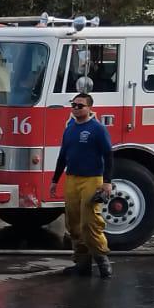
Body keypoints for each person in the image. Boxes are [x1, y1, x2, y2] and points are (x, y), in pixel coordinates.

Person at [50, 92, 115, 278]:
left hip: (92, 179)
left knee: (90, 222)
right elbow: (63, 156)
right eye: (74, 105)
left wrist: (107, 182)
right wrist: (55, 180)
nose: (76, 108)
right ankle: (82, 263)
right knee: (73, 223)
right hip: (72, 178)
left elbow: (109, 155)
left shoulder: (97, 129)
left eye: (80, 106)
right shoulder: (69, 128)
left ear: (89, 108)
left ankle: (102, 260)